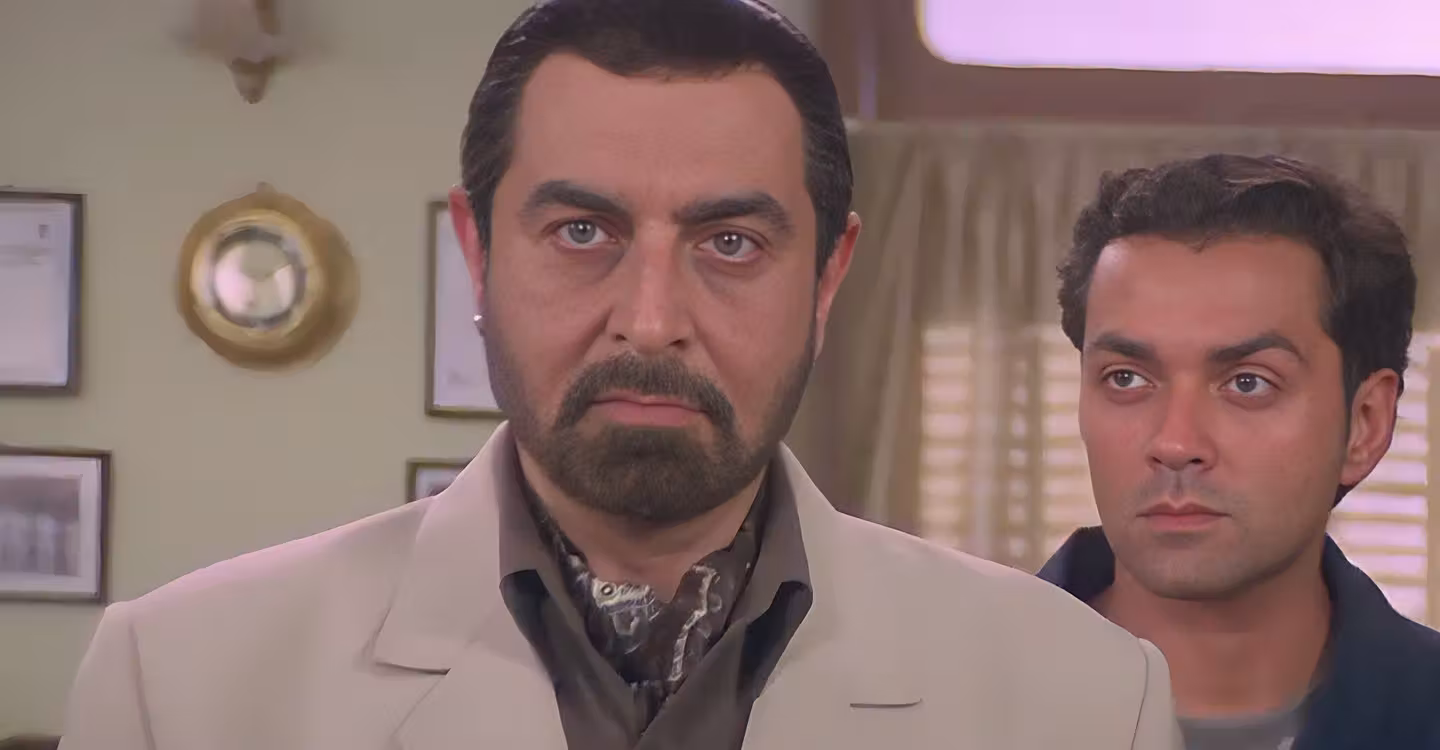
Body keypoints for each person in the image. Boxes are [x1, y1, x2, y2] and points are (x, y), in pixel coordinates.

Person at [59, 2, 1180, 749]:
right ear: (476, 252)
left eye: (730, 243)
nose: (650, 322)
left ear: (828, 276)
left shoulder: (1081, 702)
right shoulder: (181, 687)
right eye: (583, 232)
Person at [1040, 153, 1440, 749]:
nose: (1176, 443)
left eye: (1248, 383)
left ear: (1365, 424)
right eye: (1126, 378)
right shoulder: (935, 699)